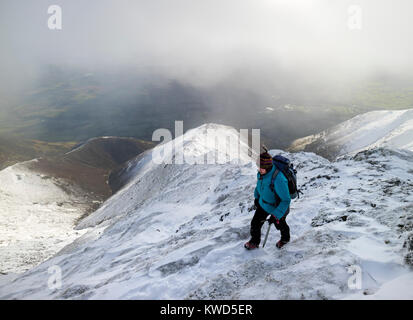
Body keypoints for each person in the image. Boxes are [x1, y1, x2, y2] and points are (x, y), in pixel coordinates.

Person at [244, 152, 291, 250]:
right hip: (264, 204)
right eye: (258, 167)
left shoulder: (279, 179)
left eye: (261, 167)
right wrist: (257, 198)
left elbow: (286, 200)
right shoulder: (261, 173)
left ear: (268, 166)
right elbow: (259, 186)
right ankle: (254, 242)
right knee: (255, 223)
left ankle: (285, 239)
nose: (259, 169)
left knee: (280, 225)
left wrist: (276, 215)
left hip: (277, 207)